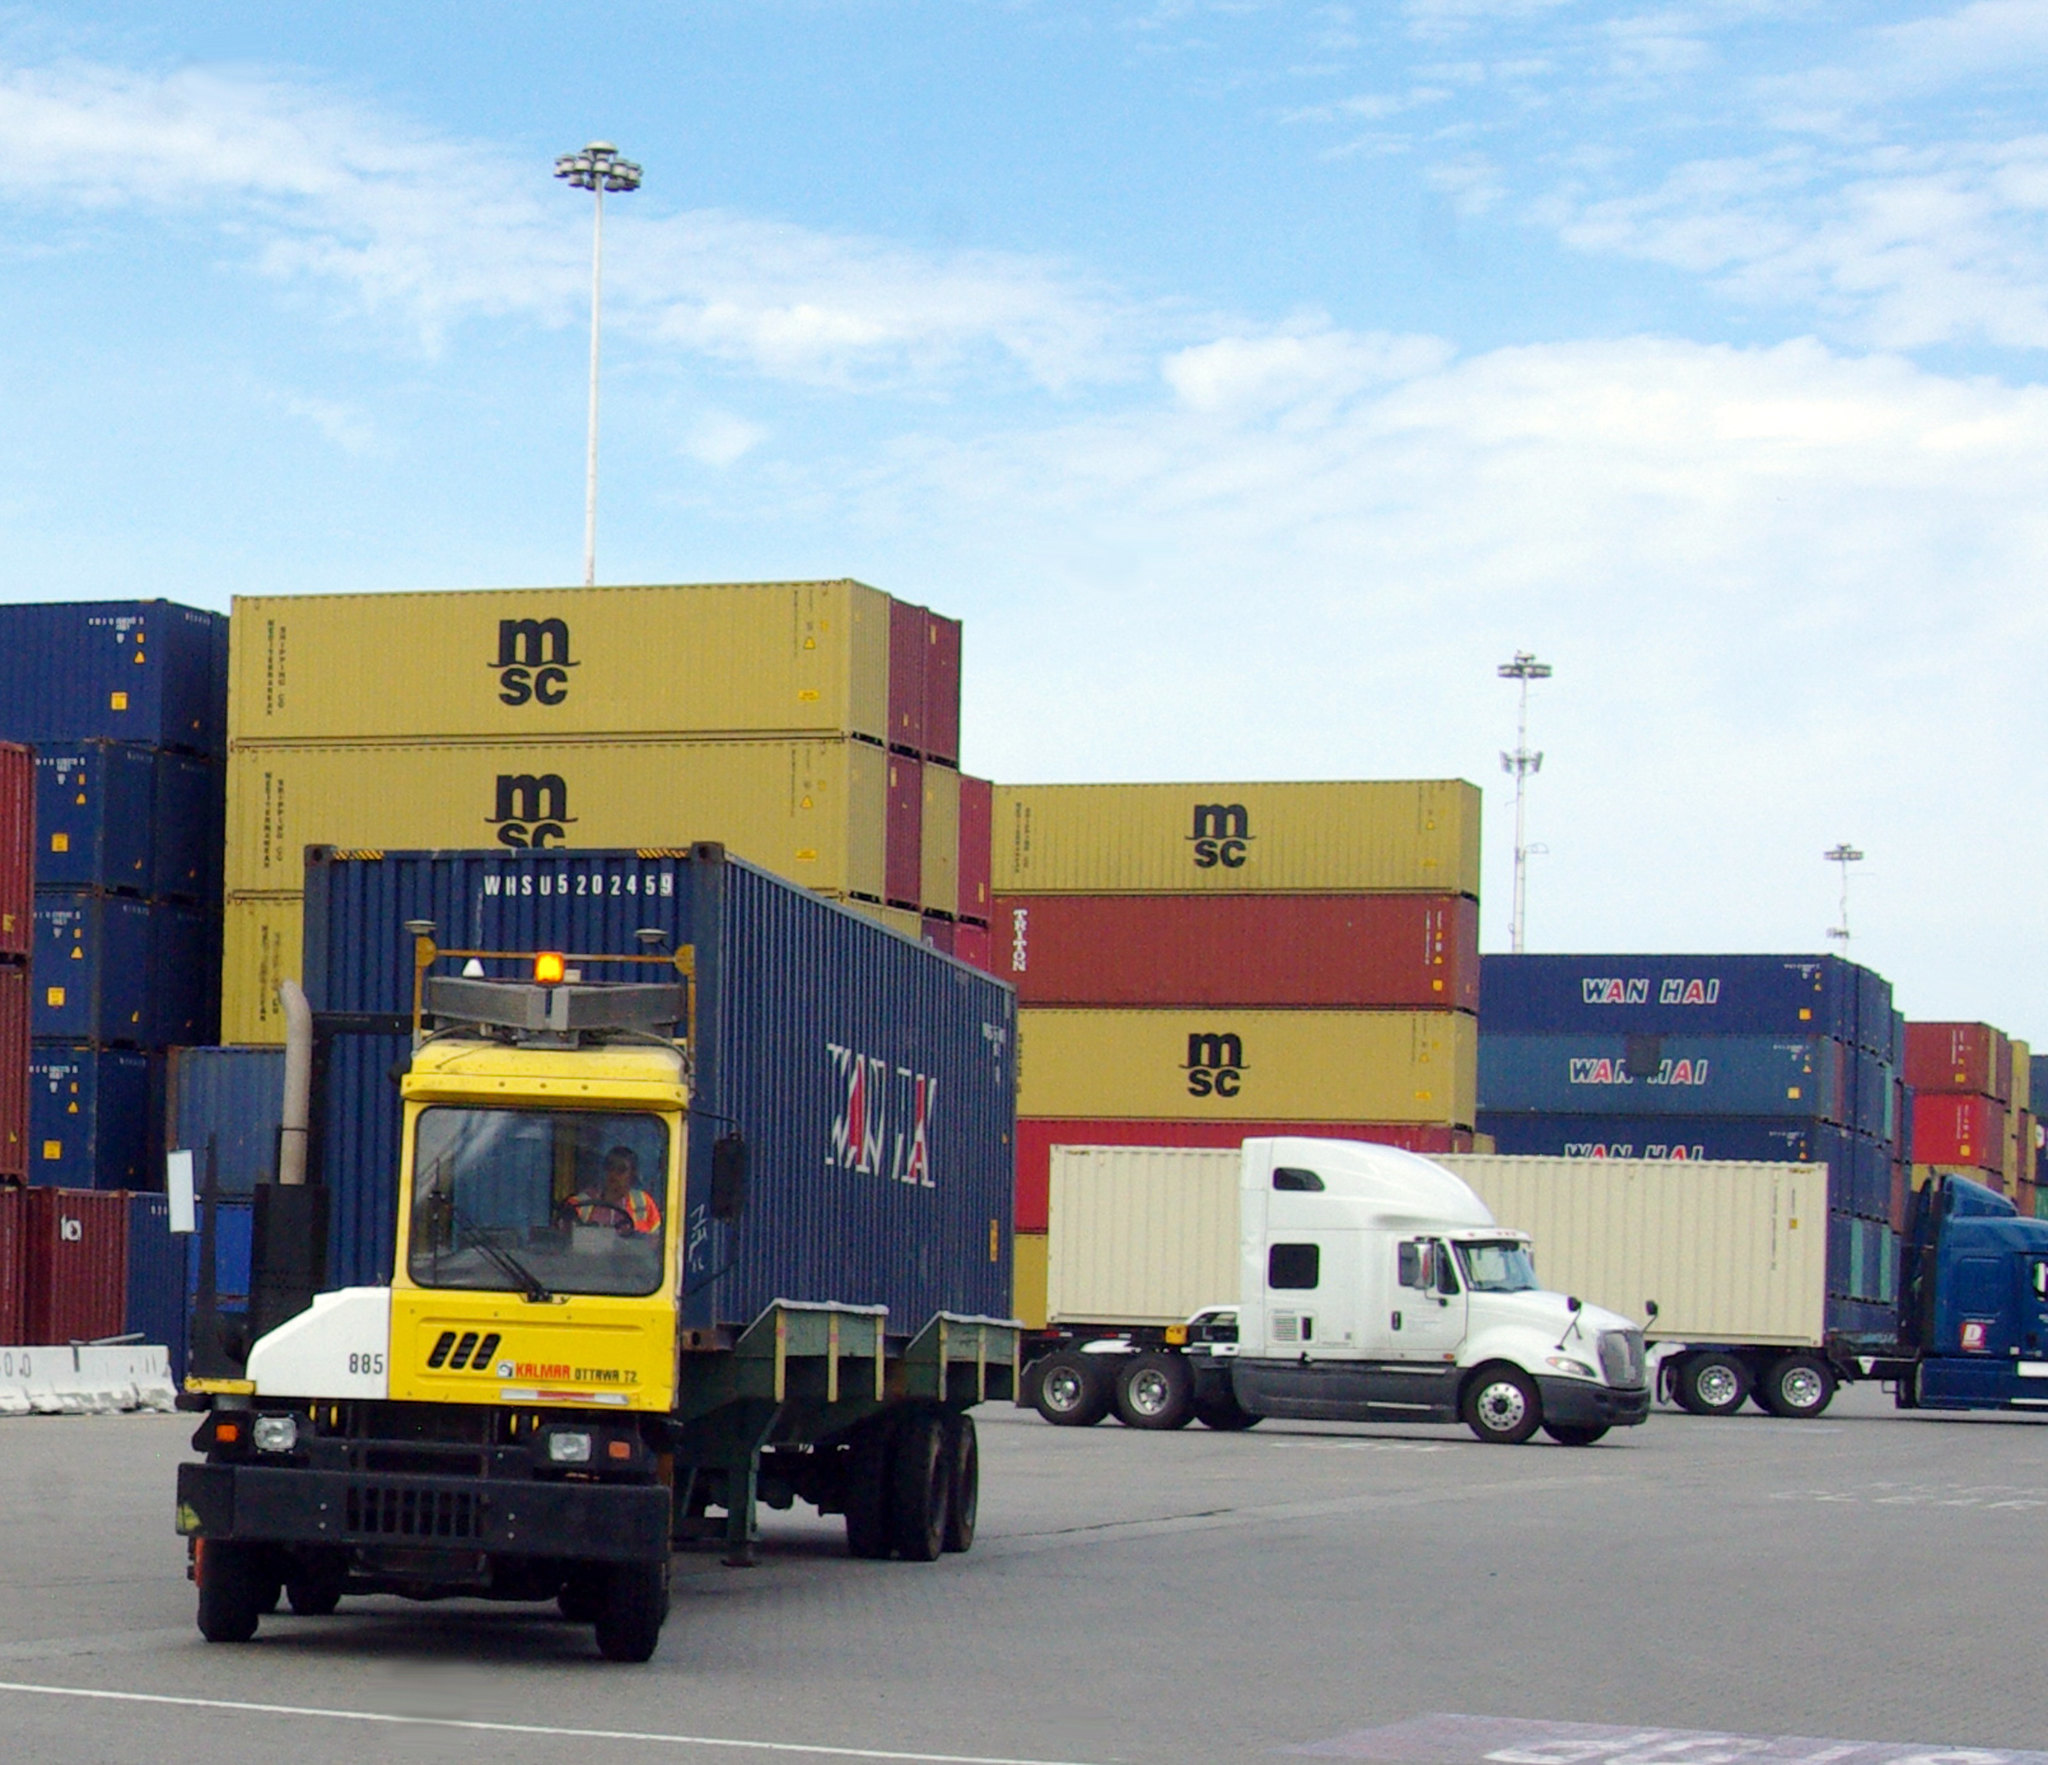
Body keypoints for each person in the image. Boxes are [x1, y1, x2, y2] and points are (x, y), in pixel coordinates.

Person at [567, 1145, 661, 1235]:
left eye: (621, 1170)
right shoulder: (579, 1203)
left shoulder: (644, 1203)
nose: (614, 1174)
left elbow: (656, 1240)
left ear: (632, 1174)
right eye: (610, 1168)